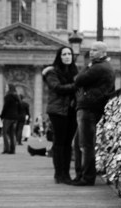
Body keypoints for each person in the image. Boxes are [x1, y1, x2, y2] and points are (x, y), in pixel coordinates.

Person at [71, 41, 115, 186]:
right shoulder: (102, 66)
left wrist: (88, 67)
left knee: (85, 144)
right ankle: (81, 175)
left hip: (89, 107)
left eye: (95, 50)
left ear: (103, 53)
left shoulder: (98, 68)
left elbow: (78, 79)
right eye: (91, 49)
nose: (91, 52)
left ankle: (87, 177)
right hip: (91, 106)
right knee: (80, 143)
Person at [42, 46, 78, 184]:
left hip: (71, 110)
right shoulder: (52, 72)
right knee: (59, 142)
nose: (67, 56)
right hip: (57, 110)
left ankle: (66, 174)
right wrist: (76, 85)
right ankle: (59, 174)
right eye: (64, 54)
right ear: (59, 57)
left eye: (69, 54)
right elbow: (57, 88)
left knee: (68, 143)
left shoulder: (75, 71)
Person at [1, 84, 21, 154]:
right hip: (15, 117)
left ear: (9, 88)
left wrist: (2, 116)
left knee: (5, 133)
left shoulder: (8, 96)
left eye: (6, 87)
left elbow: (5, 107)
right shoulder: (17, 97)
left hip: (8, 117)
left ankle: (7, 149)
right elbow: (20, 107)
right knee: (13, 133)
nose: (5, 88)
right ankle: (13, 150)